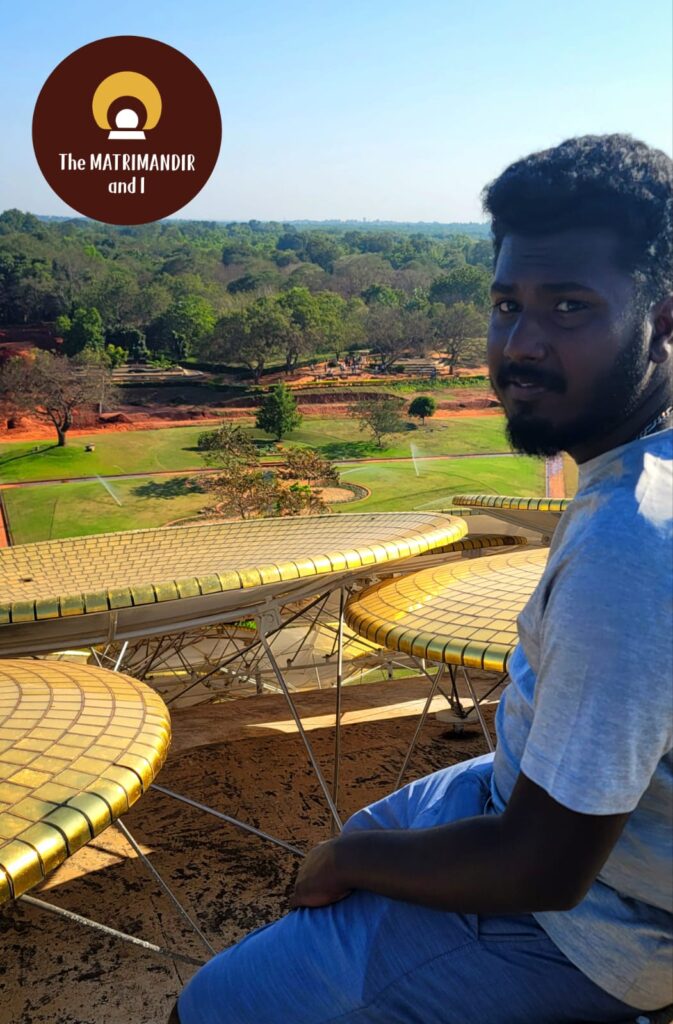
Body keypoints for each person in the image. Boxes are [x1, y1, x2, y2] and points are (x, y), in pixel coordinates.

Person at [171, 135, 673, 1023]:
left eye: (568, 307)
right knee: (362, 837)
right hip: (537, 808)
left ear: (663, 319)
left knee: (214, 1004)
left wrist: (346, 864)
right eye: (505, 304)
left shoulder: (628, 546)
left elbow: (542, 870)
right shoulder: (640, 475)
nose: (520, 345)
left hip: (590, 927)